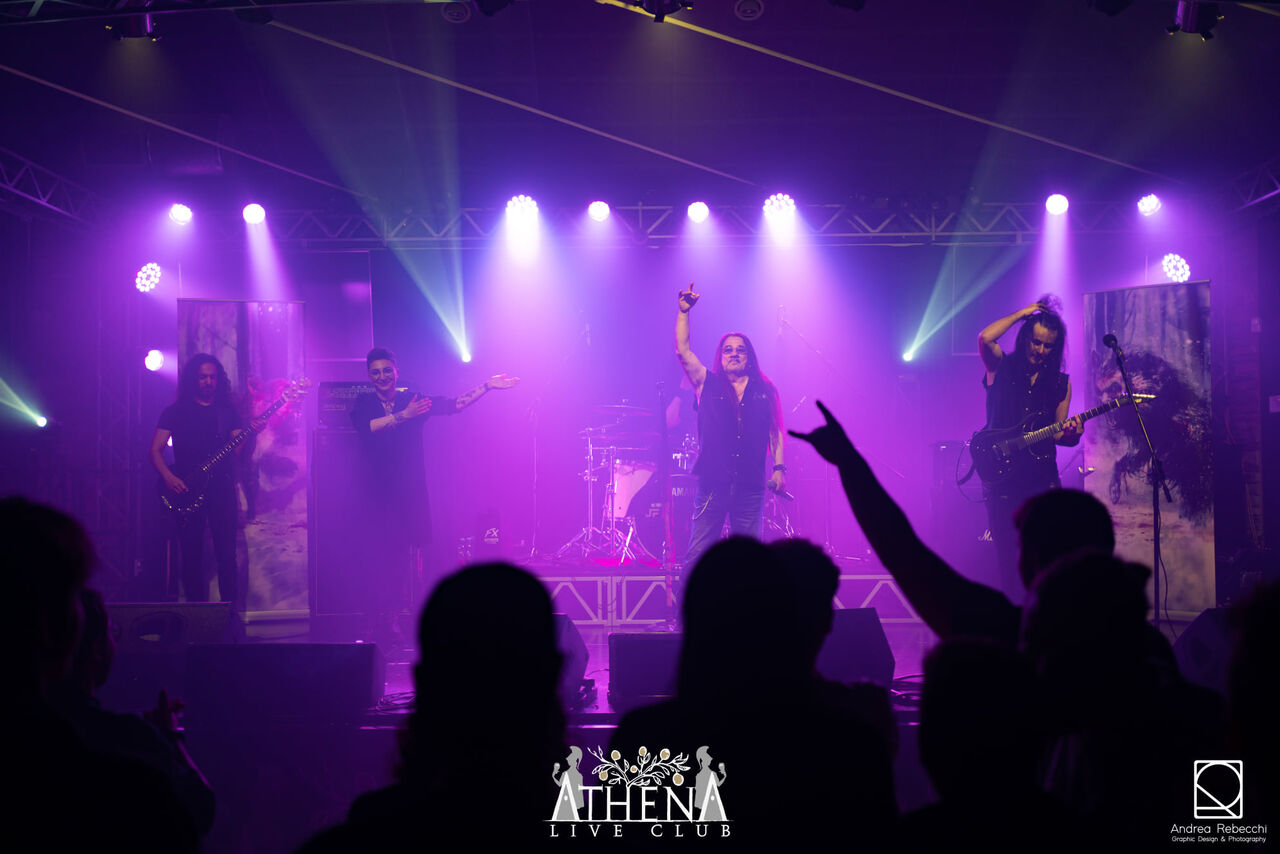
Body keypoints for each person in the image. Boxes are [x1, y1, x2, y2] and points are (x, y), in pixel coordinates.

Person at [790, 400, 1113, 647]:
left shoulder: (999, 630)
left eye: (1020, 545)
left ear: (1031, 559)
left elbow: (902, 551)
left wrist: (848, 461)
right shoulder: (1128, 646)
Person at [348, 347, 518, 647]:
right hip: (375, 495)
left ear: (396, 372)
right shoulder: (365, 403)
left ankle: (397, 621)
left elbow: (453, 405)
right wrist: (405, 416)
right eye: (375, 372)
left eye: (387, 370)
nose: (382, 376)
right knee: (376, 558)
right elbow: (367, 427)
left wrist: (487, 386)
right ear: (369, 376)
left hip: (409, 494)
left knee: (403, 559)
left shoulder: (411, 399)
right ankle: (373, 622)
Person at [674, 286, 785, 584]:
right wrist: (684, 312)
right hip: (713, 483)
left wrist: (779, 468)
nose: (734, 353)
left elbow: (775, 431)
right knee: (698, 556)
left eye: (740, 350)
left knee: (748, 561)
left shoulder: (765, 390)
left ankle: (744, 612)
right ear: (720, 357)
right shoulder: (706, 383)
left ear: (749, 357)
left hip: (750, 485)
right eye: (728, 349)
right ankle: (689, 611)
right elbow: (683, 351)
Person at [977, 298, 1082, 597]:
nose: (1040, 350)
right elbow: (985, 338)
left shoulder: (1060, 383)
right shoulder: (1002, 366)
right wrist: (1024, 313)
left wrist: (1073, 434)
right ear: (1025, 338)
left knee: (1048, 563)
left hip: (1043, 481)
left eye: (1048, 346)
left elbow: (1059, 434)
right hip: (1003, 481)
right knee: (1009, 566)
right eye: (1036, 342)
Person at [150, 354, 256, 610]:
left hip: (222, 490)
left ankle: (229, 615)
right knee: (191, 556)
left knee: (226, 556)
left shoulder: (227, 413)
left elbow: (238, 451)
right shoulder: (174, 412)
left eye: (213, 377)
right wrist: (169, 478)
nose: (209, 382)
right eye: (203, 377)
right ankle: (196, 617)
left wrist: (252, 433)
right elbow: (155, 450)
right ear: (192, 379)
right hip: (187, 489)